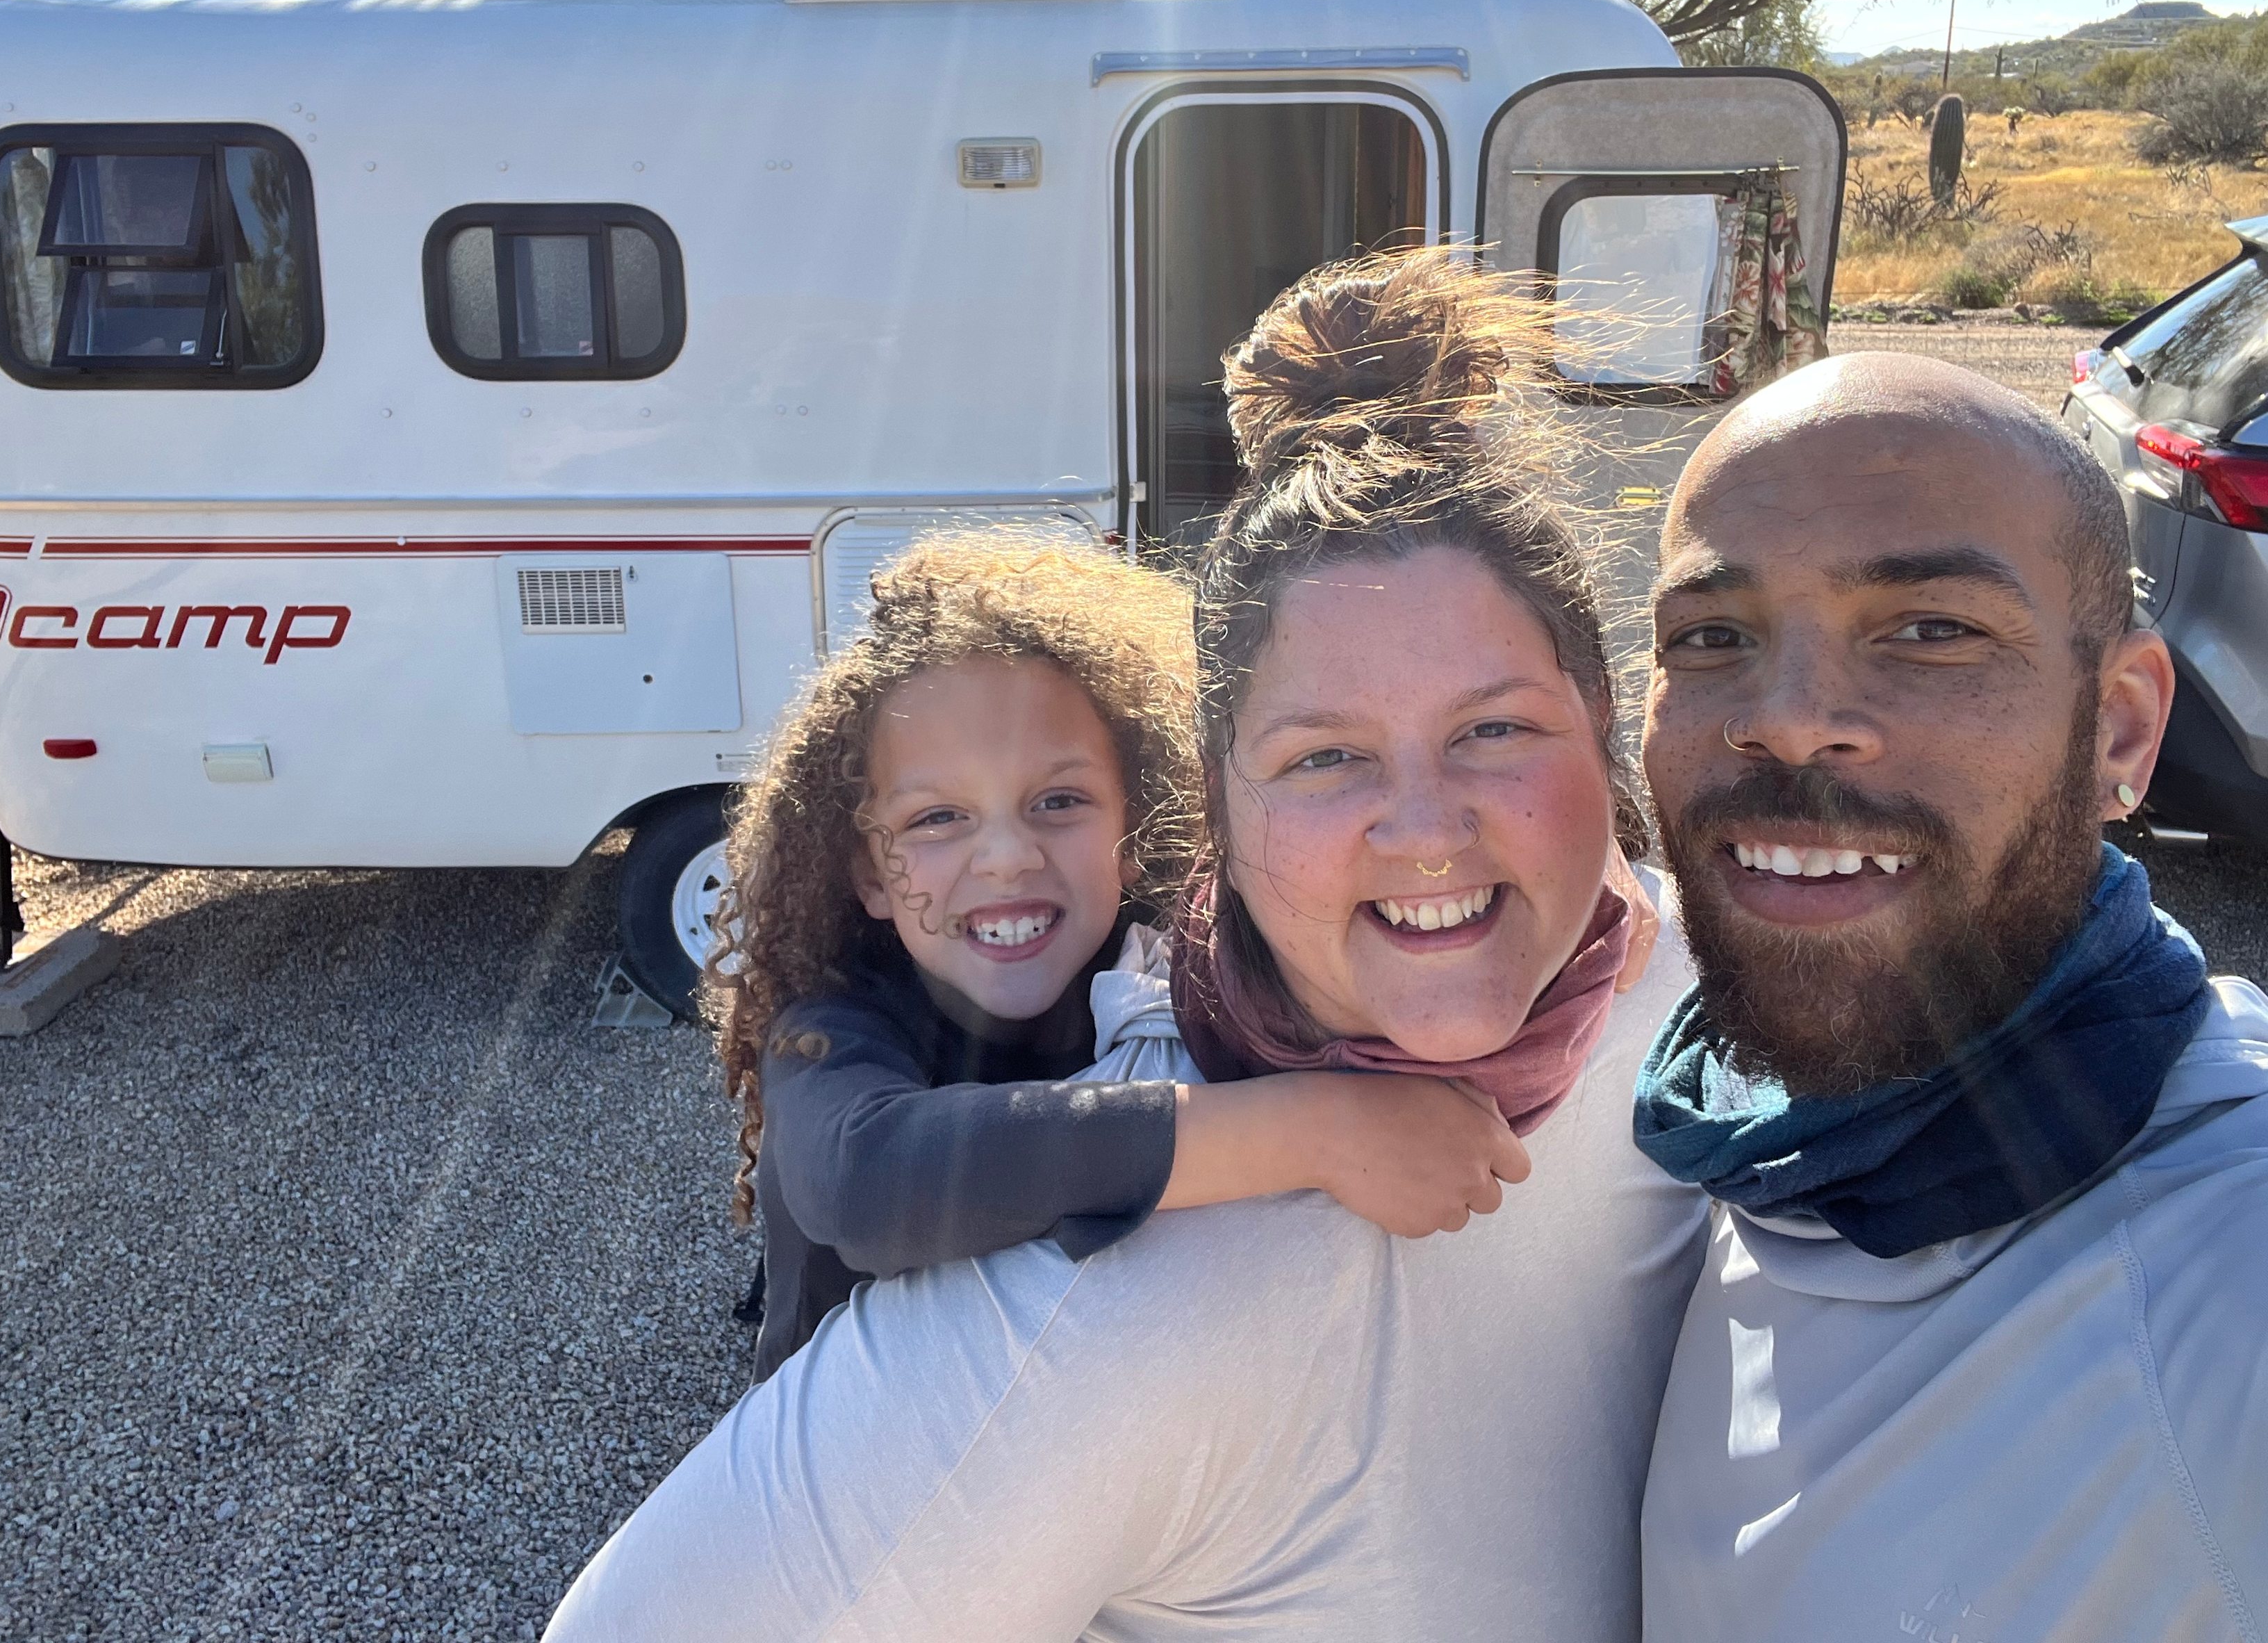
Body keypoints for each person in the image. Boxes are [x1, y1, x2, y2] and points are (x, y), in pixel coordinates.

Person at [546, 252, 1707, 1642]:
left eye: (1498, 728)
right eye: (1327, 754)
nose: (1425, 828)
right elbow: (866, 1180)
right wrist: (1304, 1129)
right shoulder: (902, 1106)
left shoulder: (1687, 984)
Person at [1632, 352, 2268, 1641]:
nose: (1789, 720)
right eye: (1712, 637)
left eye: (1931, 629)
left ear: (2122, 730)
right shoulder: (1730, 1127)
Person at [716, 530, 1538, 1380]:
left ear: (1136, 832)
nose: (1007, 857)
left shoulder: (1167, 954)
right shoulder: (829, 1026)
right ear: (868, 876)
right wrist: (1320, 1130)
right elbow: (865, 1178)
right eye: (938, 819)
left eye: (1060, 800)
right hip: (868, 1462)